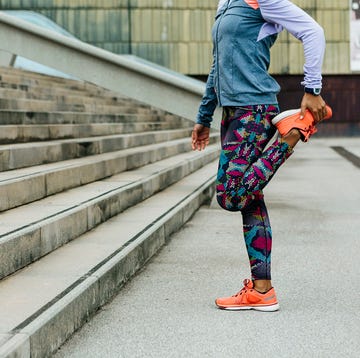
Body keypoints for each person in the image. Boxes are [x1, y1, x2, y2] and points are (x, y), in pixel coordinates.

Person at [191, 0, 332, 311]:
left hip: (253, 111)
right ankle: (262, 290)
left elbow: (313, 31)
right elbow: (218, 64)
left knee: (230, 196)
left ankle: (292, 136)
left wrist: (312, 88)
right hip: (233, 113)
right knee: (250, 197)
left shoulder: (263, 0)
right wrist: (204, 116)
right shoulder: (225, 3)